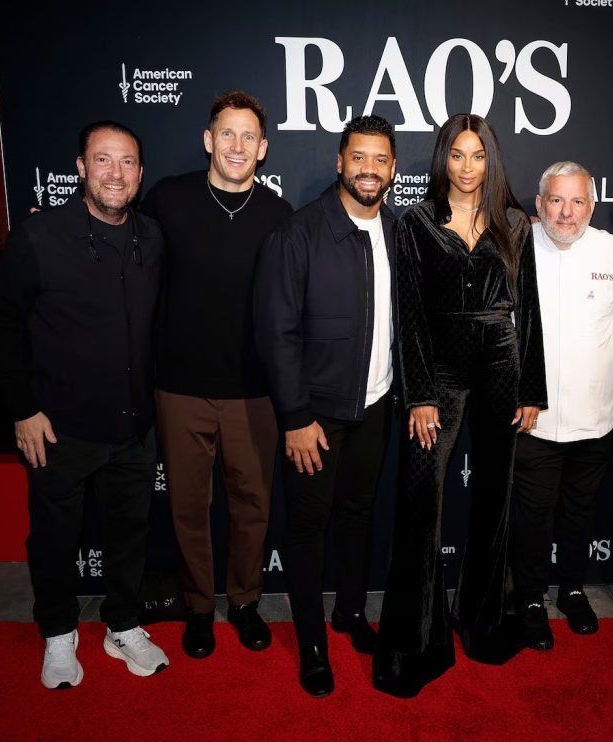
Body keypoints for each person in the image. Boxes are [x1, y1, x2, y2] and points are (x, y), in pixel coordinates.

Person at [0, 120, 169, 689]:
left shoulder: (152, 238)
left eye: (127, 163)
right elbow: (5, 324)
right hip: (58, 427)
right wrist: (22, 408)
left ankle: (121, 625)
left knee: (129, 535)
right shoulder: (38, 238)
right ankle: (59, 634)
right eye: (103, 160)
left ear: (140, 173)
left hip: (134, 425)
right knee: (53, 538)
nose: (115, 173)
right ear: (81, 168)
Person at [373, 113, 546, 698]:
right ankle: (415, 642)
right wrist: (418, 394)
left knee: (496, 498)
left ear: (490, 160)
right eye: (457, 155)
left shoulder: (515, 223)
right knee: (421, 503)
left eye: (478, 156)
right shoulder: (417, 223)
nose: (467, 167)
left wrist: (531, 389)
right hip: (439, 377)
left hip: (502, 368)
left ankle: (487, 621)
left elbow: (530, 309)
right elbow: (410, 315)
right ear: (442, 158)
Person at [140, 91, 293, 660]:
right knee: (187, 505)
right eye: (226, 134)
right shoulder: (169, 200)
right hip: (180, 387)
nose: (237, 145)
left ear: (263, 148)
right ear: (208, 140)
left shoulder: (279, 216)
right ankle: (199, 607)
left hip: (254, 389)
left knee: (252, 502)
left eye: (248, 136)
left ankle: (246, 603)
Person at [253, 115, 397, 697]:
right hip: (315, 415)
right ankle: (312, 643)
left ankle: (351, 613)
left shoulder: (398, 231)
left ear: (392, 169)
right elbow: (276, 333)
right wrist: (295, 417)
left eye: (381, 159)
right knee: (309, 529)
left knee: (359, 517)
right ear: (340, 162)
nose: (369, 168)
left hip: (377, 406)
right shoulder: (300, 233)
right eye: (358, 157)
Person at [512, 161, 613, 650]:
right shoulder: (514, 248)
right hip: (532, 421)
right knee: (533, 517)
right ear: (539, 205)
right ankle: (530, 599)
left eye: (577, 201)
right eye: (556, 200)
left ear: (592, 204)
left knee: (580, 513)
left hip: (595, 419)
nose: (567, 212)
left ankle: (574, 589)